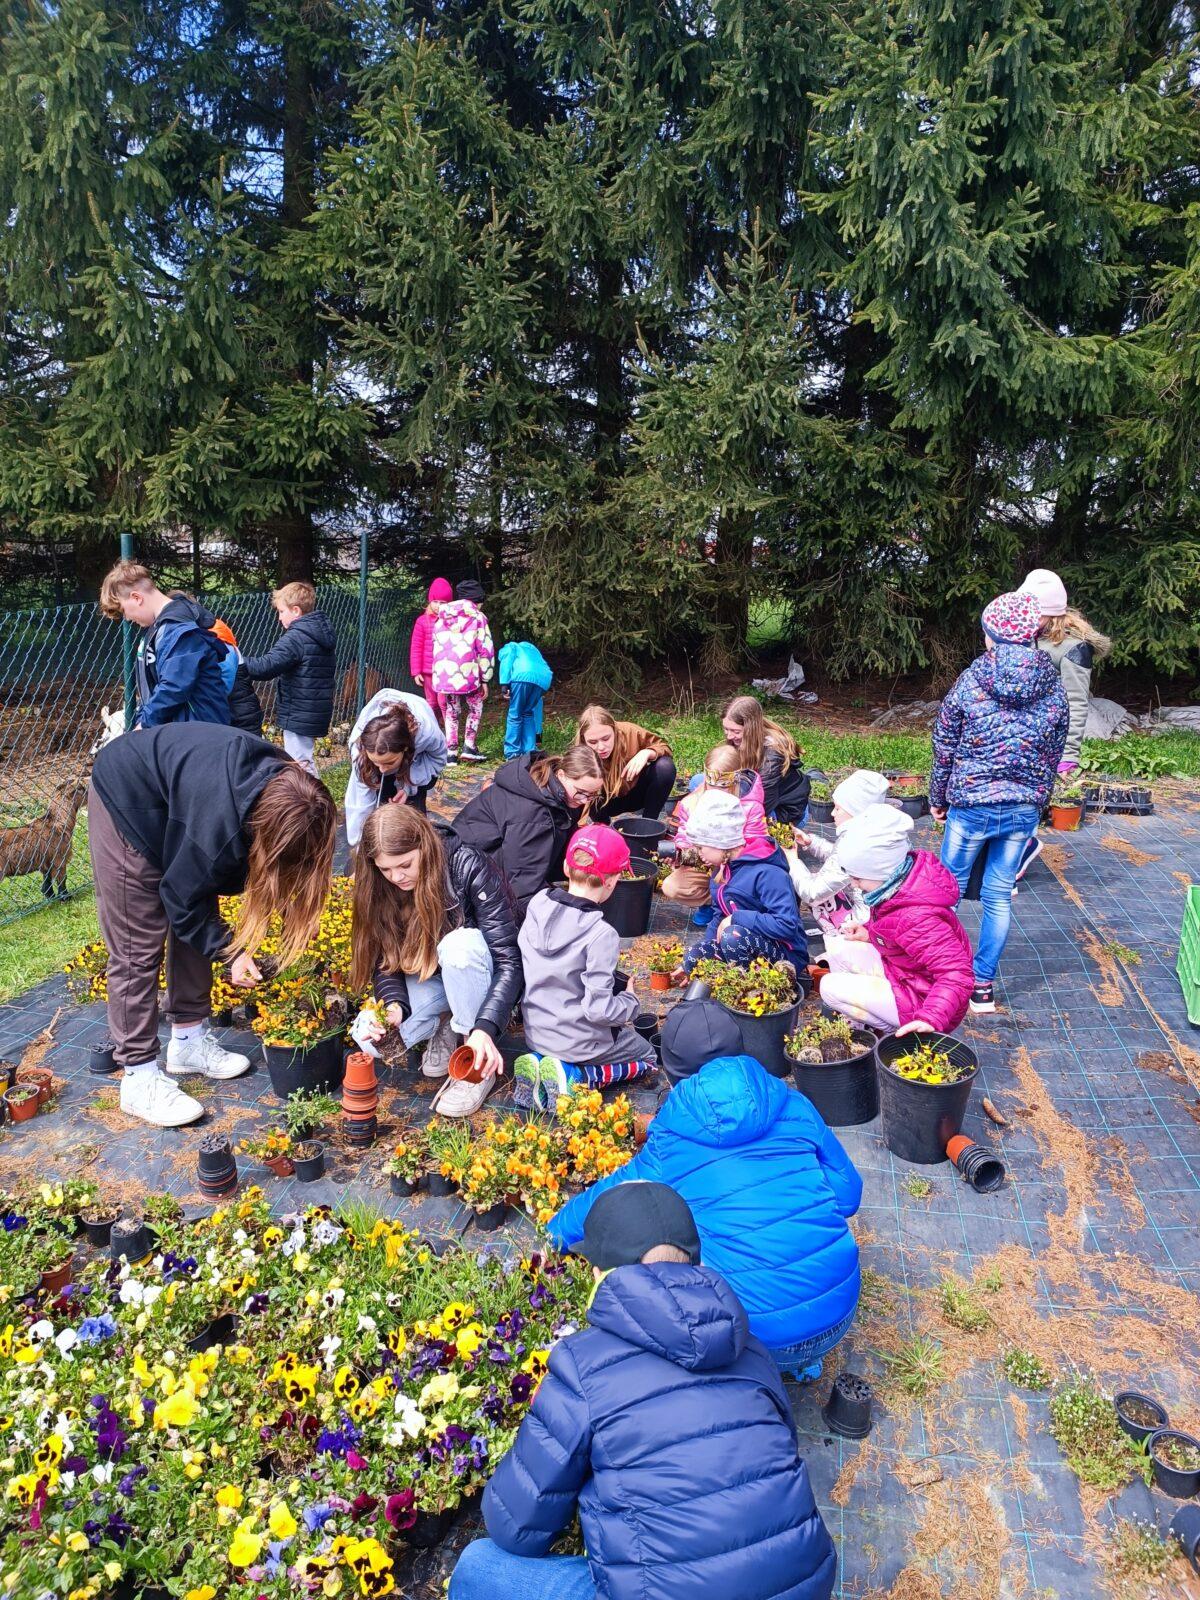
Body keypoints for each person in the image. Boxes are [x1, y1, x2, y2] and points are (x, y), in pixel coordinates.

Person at [452, 1182, 837, 1600]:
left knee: (480, 1566)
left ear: (602, 1272)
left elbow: (516, 1526)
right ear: (695, 1261)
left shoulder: (583, 1363)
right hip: (806, 1584)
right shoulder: (752, 1349)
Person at [549, 1001, 862, 1382]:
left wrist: (554, 1232)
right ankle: (804, 1363)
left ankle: (762, 1367)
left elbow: (613, 1196)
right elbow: (849, 1197)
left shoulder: (672, 1134)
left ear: (671, 1074)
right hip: (840, 1316)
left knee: (669, 1238)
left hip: (754, 1339)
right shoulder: (793, 1102)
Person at [87, 723, 336, 1127]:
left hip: (180, 799)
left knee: (199, 913)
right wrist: (232, 953)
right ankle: (139, 1078)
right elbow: (181, 899)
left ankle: (187, 1041)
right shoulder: (217, 832)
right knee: (138, 941)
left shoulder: (295, 789)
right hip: (125, 798)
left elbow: (200, 891)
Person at [931, 591, 1068, 1013]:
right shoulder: (1054, 686)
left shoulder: (971, 681)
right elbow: (1053, 754)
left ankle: (942, 975)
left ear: (990, 634)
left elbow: (944, 744)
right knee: (998, 895)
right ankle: (982, 988)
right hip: (1022, 808)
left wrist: (938, 797)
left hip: (971, 805)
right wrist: (1038, 802)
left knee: (945, 894)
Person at [350, 807, 520, 1117]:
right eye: (385, 870)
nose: (397, 877)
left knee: (459, 946)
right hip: (435, 978)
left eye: (405, 865)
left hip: (477, 972)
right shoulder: (381, 886)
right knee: (367, 1036)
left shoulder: (466, 866)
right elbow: (384, 959)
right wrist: (393, 1007)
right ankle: (446, 1023)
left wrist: (484, 1028)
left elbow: (509, 961)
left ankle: (474, 1057)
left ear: (424, 846)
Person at [514, 825, 657, 1109]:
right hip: (579, 1044)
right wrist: (630, 1001)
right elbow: (599, 1010)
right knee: (648, 1057)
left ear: (567, 867)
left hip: (536, 1033)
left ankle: (543, 1063)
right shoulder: (601, 934)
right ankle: (577, 1076)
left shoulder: (537, 904)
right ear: (612, 881)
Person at [819, 804, 973, 1036]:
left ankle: (897, 1033)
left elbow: (957, 974)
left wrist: (931, 1017)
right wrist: (868, 933)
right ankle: (864, 1022)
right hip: (906, 975)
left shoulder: (918, 917)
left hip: (924, 1000)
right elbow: (896, 930)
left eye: (858, 878)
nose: (853, 884)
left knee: (829, 987)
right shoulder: (898, 885)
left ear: (881, 873)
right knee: (838, 947)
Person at [451, 746, 604, 921]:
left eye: (592, 795)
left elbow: (561, 834)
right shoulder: (533, 815)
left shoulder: (559, 792)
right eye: (581, 792)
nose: (584, 800)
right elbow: (523, 887)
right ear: (561, 774)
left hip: (500, 858)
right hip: (469, 877)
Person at [680, 790, 807, 974]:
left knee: (733, 936)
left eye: (701, 847)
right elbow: (718, 917)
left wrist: (736, 918)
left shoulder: (768, 872)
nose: (699, 853)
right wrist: (703, 955)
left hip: (784, 953)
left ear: (720, 842)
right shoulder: (721, 869)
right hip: (743, 946)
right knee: (694, 956)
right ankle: (723, 982)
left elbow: (786, 925)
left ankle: (747, 991)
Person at [98, 561, 231, 728]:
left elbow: (175, 687)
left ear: (136, 598)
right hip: (182, 732)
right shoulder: (159, 629)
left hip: (199, 734)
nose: (127, 618)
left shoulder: (180, 630)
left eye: (124, 610)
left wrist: (144, 724)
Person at [662, 742, 771, 926]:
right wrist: (681, 853)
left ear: (735, 780)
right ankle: (713, 903)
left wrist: (723, 856)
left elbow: (758, 846)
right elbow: (684, 836)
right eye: (710, 784)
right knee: (672, 886)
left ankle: (735, 906)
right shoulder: (691, 803)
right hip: (705, 865)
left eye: (722, 786)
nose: (715, 791)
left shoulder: (750, 807)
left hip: (738, 870)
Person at [1019, 568, 1111, 777]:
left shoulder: (1072, 648)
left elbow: (1076, 703)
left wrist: (1068, 755)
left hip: (1050, 739)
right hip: (1020, 737)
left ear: (1052, 611)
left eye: (1036, 611)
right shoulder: (1025, 638)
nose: (1029, 616)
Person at [242, 581, 336, 776]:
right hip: (311, 710)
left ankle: (313, 802)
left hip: (299, 712)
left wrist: (236, 659)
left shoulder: (297, 637)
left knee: (299, 764)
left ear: (296, 611)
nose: (279, 617)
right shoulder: (317, 631)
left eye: (281, 611)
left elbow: (265, 667)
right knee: (302, 760)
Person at [785, 768, 889, 933]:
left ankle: (846, 939)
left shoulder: (856, 845)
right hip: (880, 915)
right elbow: (839, 856)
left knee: (813, 886)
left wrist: (793, 861)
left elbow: (812, 893)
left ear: (856, 812)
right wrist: (810, 842)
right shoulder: (878, 832)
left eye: (838, 808)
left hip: (868, 923)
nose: (833, 813)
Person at [343, 690, 448, 848]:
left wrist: (408, 786)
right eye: (377, 763)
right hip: (382, 754)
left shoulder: (427, 735)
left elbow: (438, 759)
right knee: (381, 797)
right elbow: (359, 803)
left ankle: (420, 848)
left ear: (405, 749)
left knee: (414, 808)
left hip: (418, 761)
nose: (383, 770)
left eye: (389, 762)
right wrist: (360, 846)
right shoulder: (359, 751)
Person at [166, 592, 263, 735]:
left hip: (238, 718)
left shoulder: (216, 638)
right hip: (234, 714)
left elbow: (221, 686)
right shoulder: (207, 633)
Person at [576, 704, 676, 820]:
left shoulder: (630, 732)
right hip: (605, 802)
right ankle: (603, 828)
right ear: (584, 739)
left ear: (614, 729)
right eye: (593, 742)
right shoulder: (580, 752)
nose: (601, 747)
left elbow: (664, 747)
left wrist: (647, 753)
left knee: (665, 767)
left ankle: (649, 823)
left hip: (636, 793)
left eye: (606, 738)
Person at [432, 578, 494, 763]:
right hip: (469, 673)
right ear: (477, 600)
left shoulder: (442, 617)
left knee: (452, 710)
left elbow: (436, 646)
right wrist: (485, 679)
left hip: (445, 674)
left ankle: (451, 753)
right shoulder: (478, 618)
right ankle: (469, 746)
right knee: (475, 707)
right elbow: (486, 650)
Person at [721, 694, 809, 821]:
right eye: (726, 729)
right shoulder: (741, 740)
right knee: (698, 781)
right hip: (751, 792)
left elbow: (762, 807)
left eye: (736, 731)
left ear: (752, 729)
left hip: (782, 809)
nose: (729, 736)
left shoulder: (772, 757)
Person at [409, 578, 453, 726]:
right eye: (436, 602)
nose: (439, 606)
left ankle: (449, 732)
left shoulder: (452, 621)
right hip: (428, 671)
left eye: (443, 603)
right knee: (432, 703)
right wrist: (416, 671)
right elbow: (416, 647)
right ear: (430, 601)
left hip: (446, 670)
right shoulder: (422, 621)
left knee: (445, 703)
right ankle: (433, 730)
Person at [498, 639, 553, 759]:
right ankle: (530, 751)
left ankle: (512, 753)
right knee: (527, 713)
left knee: (515, 714)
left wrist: (504, 683)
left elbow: (507, 659)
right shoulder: (534, 651)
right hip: (543, 680)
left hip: (522, 676)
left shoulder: (511, 646)